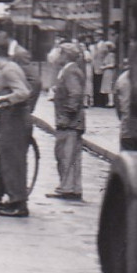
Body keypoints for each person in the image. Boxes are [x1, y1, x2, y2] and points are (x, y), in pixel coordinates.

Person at [0, 37, 34, 218]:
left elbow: (23, 92)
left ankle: (19, 203)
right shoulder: (6, 68)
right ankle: (14, 198)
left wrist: (2, 99)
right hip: (11, 118)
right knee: (9, 160)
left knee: (14, 161)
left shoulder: (9, 70)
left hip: (16, 118)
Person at [47, 42, 87, 200]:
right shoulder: (70, 70)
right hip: (73, 121)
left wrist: (66, 115)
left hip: (69, 122)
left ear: (64, 54)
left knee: (65, 155)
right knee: (71, 156)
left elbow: (75, 94)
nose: (56, 56)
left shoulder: (70, 71)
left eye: (58, 53)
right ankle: (72, 187)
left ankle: (67, 188)